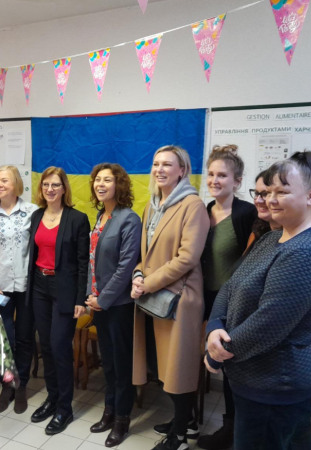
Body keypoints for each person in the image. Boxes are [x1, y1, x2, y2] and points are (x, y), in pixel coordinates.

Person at [205, 151, 311, 450]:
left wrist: (217, 352)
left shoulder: (306, 251)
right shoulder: (273, 237)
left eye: (282, 192)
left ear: (310, 196)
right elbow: (231, 285)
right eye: (268, 192)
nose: (270, 200)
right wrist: (214, 325)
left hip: (277, 384)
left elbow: (268, 323)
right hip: (255, 380)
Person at [131, 145, 209, 450]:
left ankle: (178, 437)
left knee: (178, 369)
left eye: (167, 164)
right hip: (153, 296)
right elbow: (145, 254)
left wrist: (147, 282)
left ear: (182, 170)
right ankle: (185, 422)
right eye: (156, 164)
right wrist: (138, 275)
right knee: (163, 366)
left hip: (180, 299)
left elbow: (187, 258)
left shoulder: (193, 205)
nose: (160, 169)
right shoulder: (151, 205)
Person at [198, 146, 256, 450]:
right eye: (211, 174)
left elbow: (251, 262)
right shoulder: (205, 210)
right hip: (205, 299)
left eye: (222, 175)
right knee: (207, 362)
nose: (215, 180)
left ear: (237, 180)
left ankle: (233, 432)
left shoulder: (247, 213)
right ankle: (198, 420)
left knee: (232, 368)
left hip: (235, 306)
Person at [27, 166, 90, 435]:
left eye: (55, 185)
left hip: (64, 290)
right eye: (46, 185)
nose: (50, 189)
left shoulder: (77, 218)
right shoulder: (37, 215)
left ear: (64, 188)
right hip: (40, 286)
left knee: (59, 346)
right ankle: (52, 399)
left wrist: (80, 299)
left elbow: (83, 262)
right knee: (47, 347)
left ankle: (65, 408)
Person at [85, 163, 141, 447]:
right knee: (108, 364)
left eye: (107, 180)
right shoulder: (100, 216)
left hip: (117, 305)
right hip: (98, 304)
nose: (101, 184)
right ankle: (108, 411)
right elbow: (92, 262)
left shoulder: (128, 218)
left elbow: (126, 266)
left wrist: (103, 299)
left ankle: (122, 419)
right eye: (98, 180)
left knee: (121, 367)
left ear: (119, 184)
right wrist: (90, 298)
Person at [0, 165, 38, 414]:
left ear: (16, 183)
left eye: (5, 180)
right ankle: (7, 385)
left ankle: (21, 384)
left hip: (28, 286)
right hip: (0, 288)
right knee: (6, 340)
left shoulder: (33, 212)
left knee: (25, 338)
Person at [245, 170, 282, 254]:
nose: (258, 200)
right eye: (256, 193)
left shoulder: (291, 240)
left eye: (265, 194)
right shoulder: (257, 232)